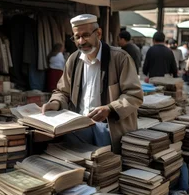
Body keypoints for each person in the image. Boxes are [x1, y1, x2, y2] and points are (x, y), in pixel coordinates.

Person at [42, 14, 143, 153]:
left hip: (108, 129)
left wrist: (110, 109)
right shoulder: (73, 60)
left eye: (86, 35)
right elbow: (62, 91)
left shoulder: (120, 58)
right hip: (78, 127)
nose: (81, 41)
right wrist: (55, 103)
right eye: (77, 37)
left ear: (99, 33)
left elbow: (134, 95)